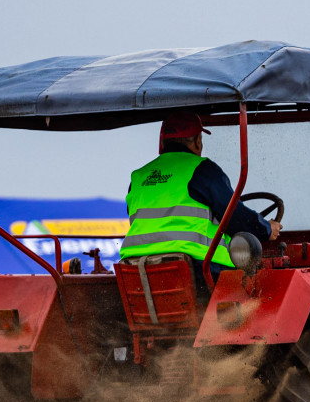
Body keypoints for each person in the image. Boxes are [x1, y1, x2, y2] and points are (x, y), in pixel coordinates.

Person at [120, 111, 282, 293]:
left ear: (163, 142)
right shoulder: (203, 170)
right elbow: (234, 217)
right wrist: (266, 229)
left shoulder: (138, 177)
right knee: (258, 287)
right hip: (195, 269)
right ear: (197, 140)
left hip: (135, 270)